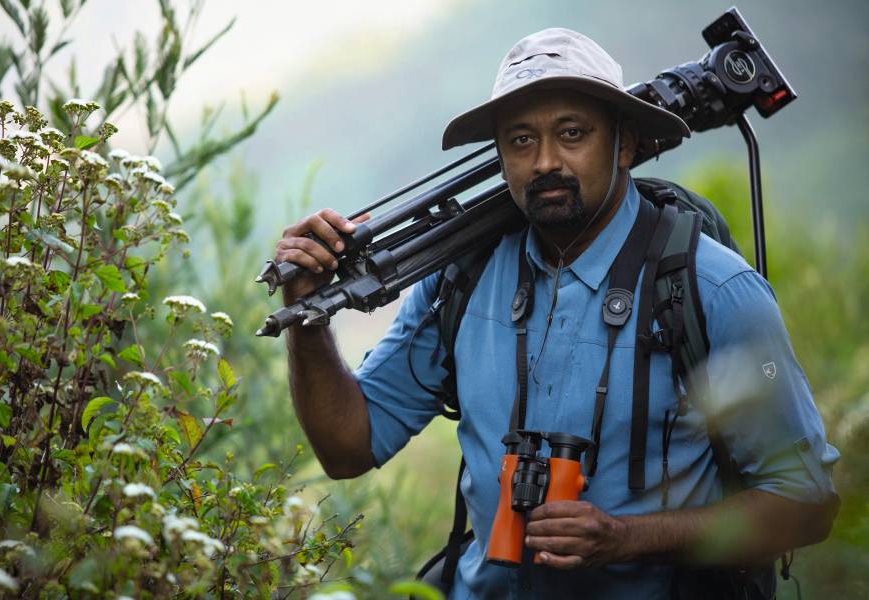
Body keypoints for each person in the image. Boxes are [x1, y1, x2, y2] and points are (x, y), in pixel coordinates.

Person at [275, 29, 839, 599]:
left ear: (624, 145)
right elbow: (349, 447)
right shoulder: (462, 278)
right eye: (521, 140)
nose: (545, 161)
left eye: (572, 134)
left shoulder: (712, 289)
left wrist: (626, 537)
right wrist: (305, 313)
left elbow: (807, 502)